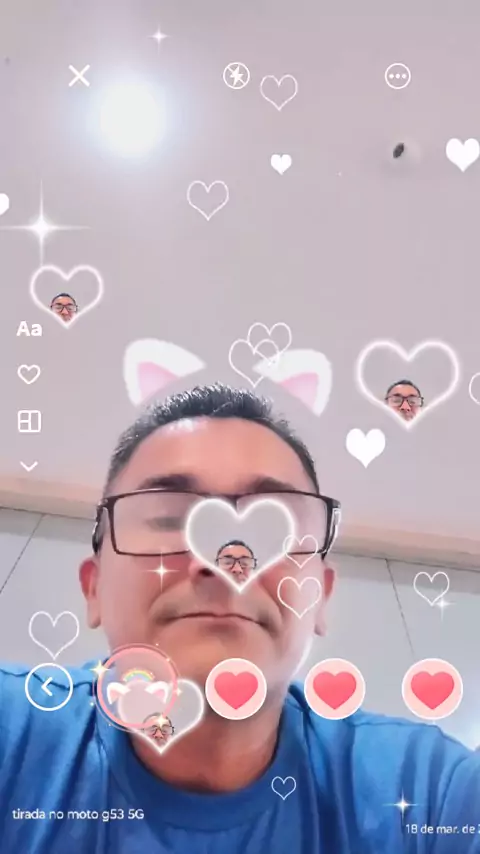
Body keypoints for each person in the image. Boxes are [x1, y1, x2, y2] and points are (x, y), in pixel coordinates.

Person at [0, 383, 478, 854]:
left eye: (272, 526)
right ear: (94, 588)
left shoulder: (432, 793)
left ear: (321, 598)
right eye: (170, 519)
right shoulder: (14, 736)